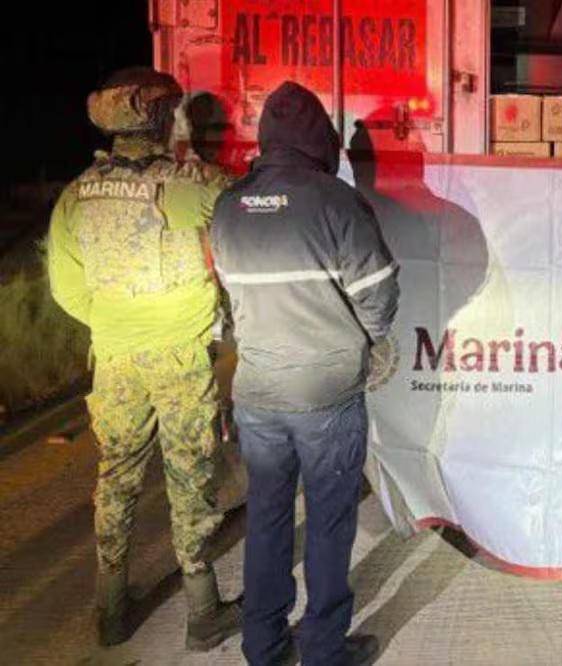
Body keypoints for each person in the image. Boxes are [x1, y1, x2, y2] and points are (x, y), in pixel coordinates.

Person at [47, 67, 240, 649]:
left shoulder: (76, 194)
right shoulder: (197, 184)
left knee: (117, 477)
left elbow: (66, 289)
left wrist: (117, 323)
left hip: (116, 359)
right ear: (161, 118)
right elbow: (243, 235)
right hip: (180, 358)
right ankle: (203, 613)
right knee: (190, 479)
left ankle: (110, 611)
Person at [210, 81, 399, 666]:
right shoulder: (336, 202)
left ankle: (263, 646)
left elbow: (228, 297)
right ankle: (322, 649)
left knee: (267, 520)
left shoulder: (228, 205)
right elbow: (379, 297)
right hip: (326, 395)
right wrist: (366, 340)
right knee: (327, 522)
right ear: (321, 139)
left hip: (258, 395)